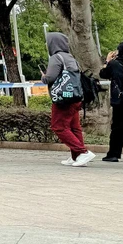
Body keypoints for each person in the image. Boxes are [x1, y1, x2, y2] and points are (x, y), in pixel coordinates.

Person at [43, 33, 95, 167]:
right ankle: (76, 156)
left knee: (58, 126)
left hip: (63, 99)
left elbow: (50, 77)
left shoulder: (56, 57)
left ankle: (83, 152)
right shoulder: (70, 57)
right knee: (74, 127)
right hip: (76, 96)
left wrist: (44, 77)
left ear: (52, 44)